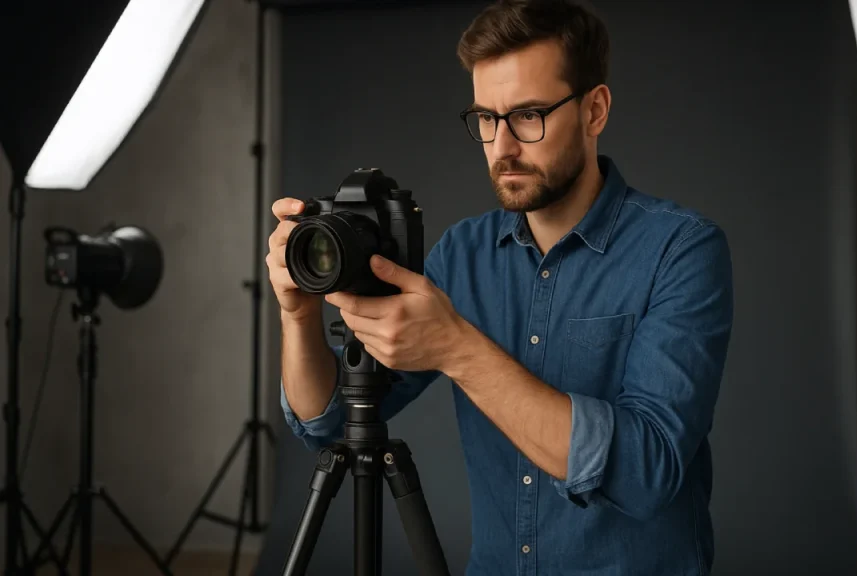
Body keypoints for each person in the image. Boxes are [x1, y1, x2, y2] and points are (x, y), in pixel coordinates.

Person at [267, 0, 734, 574]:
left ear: (594, 111)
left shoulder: (680, 249)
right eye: (487, 118)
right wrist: (298, 316)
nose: (503, 147)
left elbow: (647, 471)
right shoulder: (463, 254)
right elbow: (333, 421)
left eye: (529, 115)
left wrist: (459, 350)